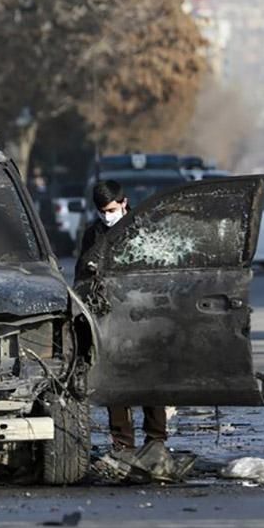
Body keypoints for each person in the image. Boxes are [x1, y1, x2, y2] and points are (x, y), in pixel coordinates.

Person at [77, 180, 167, 451]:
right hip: (110, 317)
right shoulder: (93, 234)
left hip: (144, 314)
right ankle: (122, 445)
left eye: (111, 210)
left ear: (124, 203)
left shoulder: (143, 228)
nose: (107, 216)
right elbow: (82, 275)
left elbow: (160, 268)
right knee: (115, 382)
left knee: (150, 380)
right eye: (101, 211)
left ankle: (156, 440)